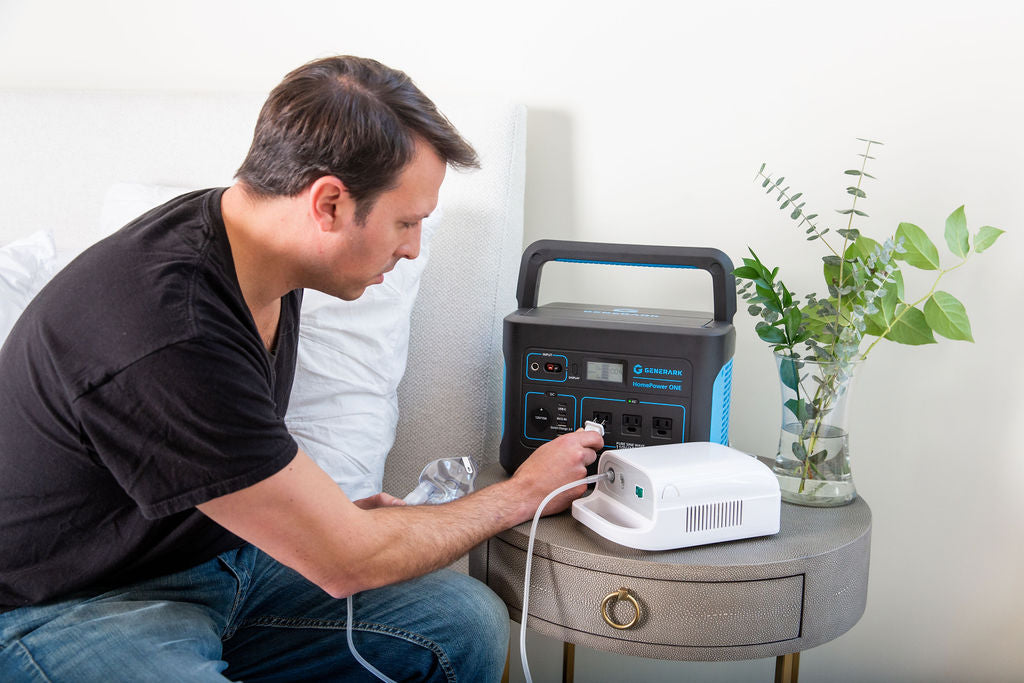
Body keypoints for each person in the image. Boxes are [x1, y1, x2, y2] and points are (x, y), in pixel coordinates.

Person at [0, 56, 603, 681]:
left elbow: (227, 455)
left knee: (460, 625)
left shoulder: (249, 254)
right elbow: (344, 563)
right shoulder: (167, 327)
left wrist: (327, 520)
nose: (412, 247)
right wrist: (520, 496)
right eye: (407, 221)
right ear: (330, 204)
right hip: (61, 608)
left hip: (214, 559)